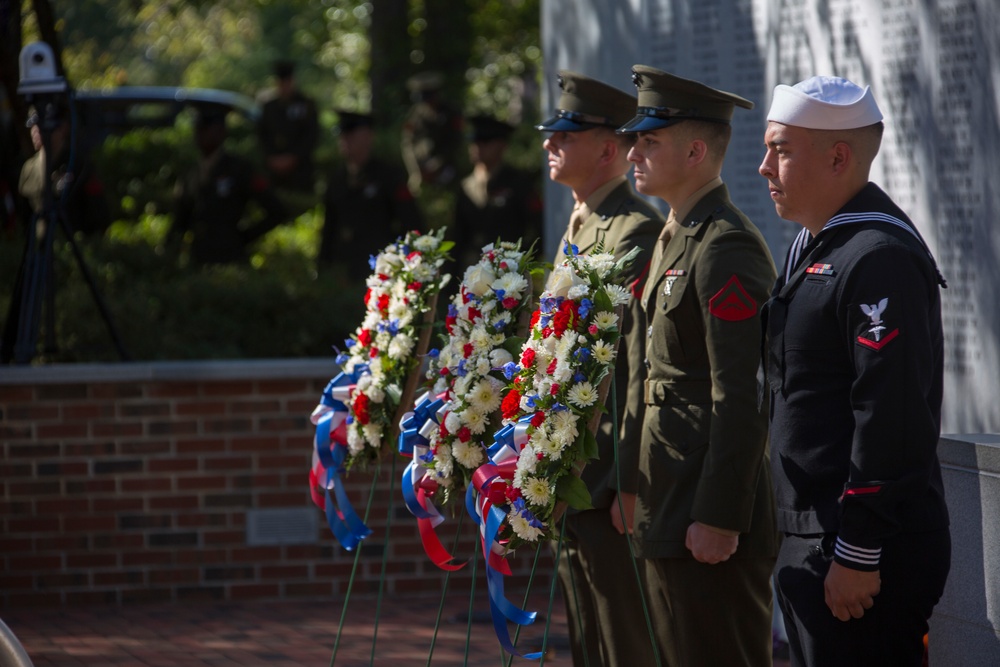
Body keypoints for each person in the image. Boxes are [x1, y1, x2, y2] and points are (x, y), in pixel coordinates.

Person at [759, 76, 950, 667]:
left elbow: (889, 413)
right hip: (816, 534)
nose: (765, 167)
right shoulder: (819, 248)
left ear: (839, 156)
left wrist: (859, 548)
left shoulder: (877, 258)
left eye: (781, 150)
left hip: (859, 547)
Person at [616, 65, 779, 666]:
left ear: (694, 150)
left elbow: (742, 393)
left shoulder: (723, 245)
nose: (633, 151)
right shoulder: (676, 233)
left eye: (649, 140)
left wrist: (720, 515)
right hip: (670, 497)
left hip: (703, 513)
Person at [536, 69, 662, 667]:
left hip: (606, 475)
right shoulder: (582, 225)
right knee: (588, 642)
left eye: (566, 134)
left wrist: (626, 482)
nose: (548, 143)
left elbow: (637, 366)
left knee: (623, 645)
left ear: (608, 148)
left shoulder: (631, 231)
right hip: (572, 473)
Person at [170, 106, 287, 265]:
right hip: (198, 260)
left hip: (230, 259)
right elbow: (181, 220)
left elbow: (277, 210)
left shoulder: (238, 169)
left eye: (206, 129)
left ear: (221, 132)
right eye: (198, 129)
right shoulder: (191, 172)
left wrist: (242, 237)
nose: (200, 135)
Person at [319, 110, 422, 278]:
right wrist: (323, 267)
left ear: (368, 137)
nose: (345, 140)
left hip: (380, 271)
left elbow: (411, 223)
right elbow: (329, 228)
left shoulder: (389, 176)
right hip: (343, 270)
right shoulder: (336, 179)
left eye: (351, 135)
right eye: (343, 135)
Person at [451, 114, 542, 270]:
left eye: (485, 142)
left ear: (502, 145)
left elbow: (539, 228)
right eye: (474, 141)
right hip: (472, 273)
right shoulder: (465, 186)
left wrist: (521, 262)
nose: (477, 147)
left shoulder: (519, 182)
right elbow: (458, 237)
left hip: (510, 274)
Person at [256, 60, 319, 195]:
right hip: (274, 171)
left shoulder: (306, 105)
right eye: (281, 82)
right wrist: (272, 158)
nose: (285, 86)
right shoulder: (269, 107)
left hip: (300, 171)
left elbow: (311, 136)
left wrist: (293, 157)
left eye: (288, 81)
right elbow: (262, 135)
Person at [400, 71, 464, 194]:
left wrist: (438, 164)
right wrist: (415, 171)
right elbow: (407, 143)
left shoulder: (451, 112)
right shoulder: (415, 114)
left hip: (447, 165)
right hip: (421, 165)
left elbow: (456, 142)